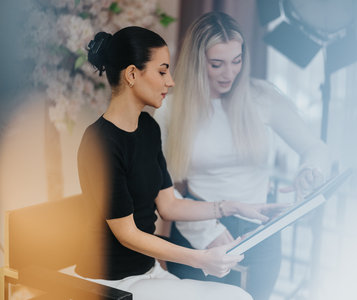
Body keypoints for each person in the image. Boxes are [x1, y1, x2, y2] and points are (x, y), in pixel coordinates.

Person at [74, 26, 287, 300]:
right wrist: (200, 258)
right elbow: (127, 234)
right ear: (131, 74)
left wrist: (232, 206)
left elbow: (169, 206)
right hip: (108, 283)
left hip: (148, 271)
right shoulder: (99, 142)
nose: (171, 81)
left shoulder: (148, 128)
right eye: (162, 71)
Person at [154, 12, 332, 300]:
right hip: (197, 229)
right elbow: (163, 190)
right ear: (197, 62)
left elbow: (316, 148)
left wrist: (309, 171)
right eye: (217, 64)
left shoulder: (262, 97)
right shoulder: (169, 111)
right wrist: (204, 232)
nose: (229, 73)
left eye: (237, 61)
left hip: (261, 233)